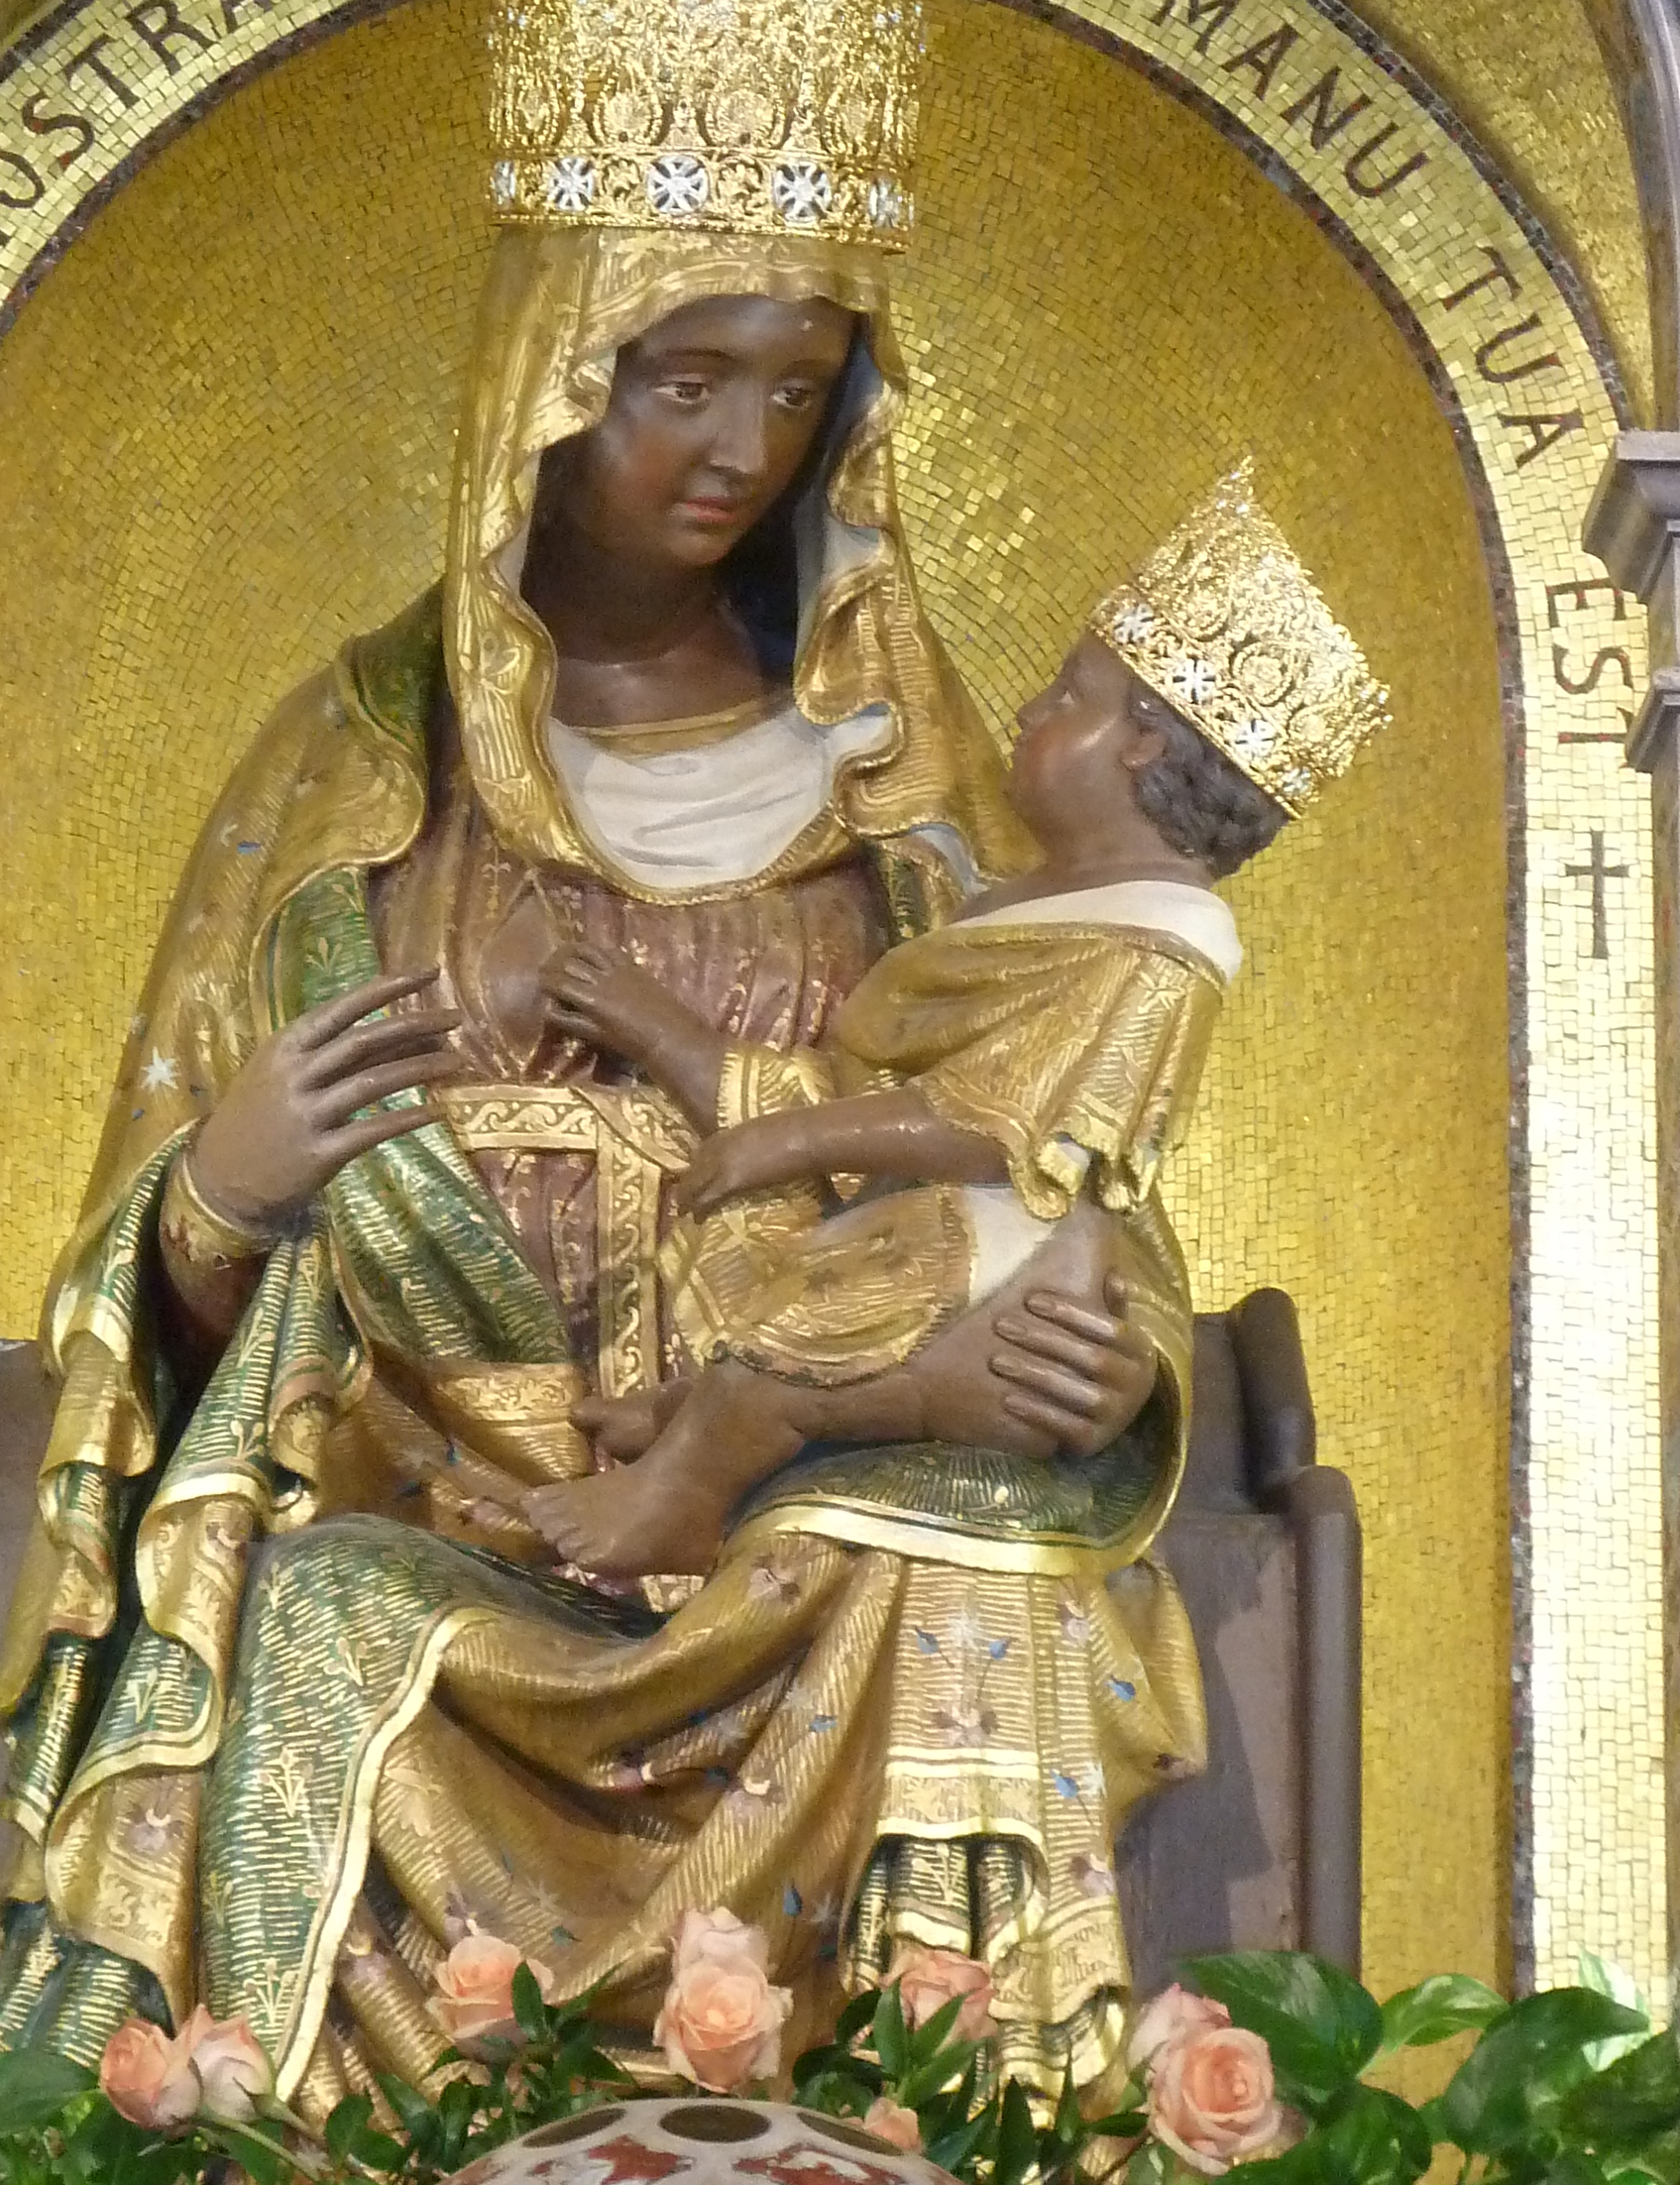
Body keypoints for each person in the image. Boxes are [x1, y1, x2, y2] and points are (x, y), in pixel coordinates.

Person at [0, 0, 1206, 2107]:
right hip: (460, 1523)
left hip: (818, 1523)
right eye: (684, 381)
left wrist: (1109, 1349)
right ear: (551, 381)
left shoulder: (909, 789)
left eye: (797, 389)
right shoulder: (358, 780)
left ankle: (967, 2158)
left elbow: (1063, 1138)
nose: (742, 450)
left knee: (975, 1580)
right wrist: (227, 1193)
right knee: (310, 1623)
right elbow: (151, 1343)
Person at [523, 474, 1386, 1579]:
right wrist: (672, 1041)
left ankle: (693, 1472)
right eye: (682, 393)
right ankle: (701, 1426)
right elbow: (883, 1093)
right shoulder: (1037, 904)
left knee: (839, 1368)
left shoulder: (1099, 925)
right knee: (793, 1304)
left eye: (1067, 696)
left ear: (1142, 748)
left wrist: (1132, 1364)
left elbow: (1034, 1145)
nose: (1028, 710)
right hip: (604, 1366)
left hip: (964, 1326)